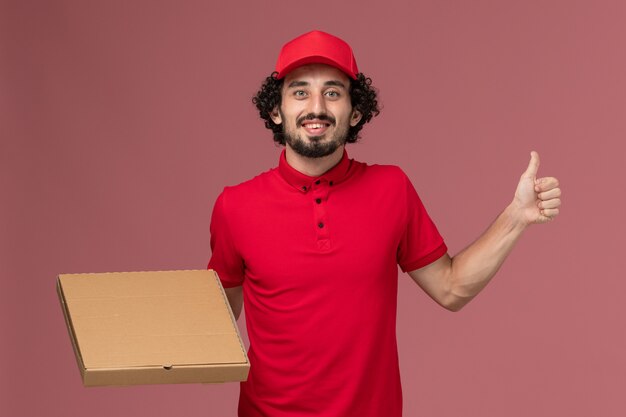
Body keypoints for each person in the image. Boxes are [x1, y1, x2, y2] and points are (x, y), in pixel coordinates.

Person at [208, 30, 561, 417]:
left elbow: (451, 288)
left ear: (354, 111)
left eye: (332, 92)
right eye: (299, 92)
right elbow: (214, 325)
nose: (316, 107)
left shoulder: (391, 188)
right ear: (276, 110)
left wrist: (517, 216)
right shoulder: (235, 206)